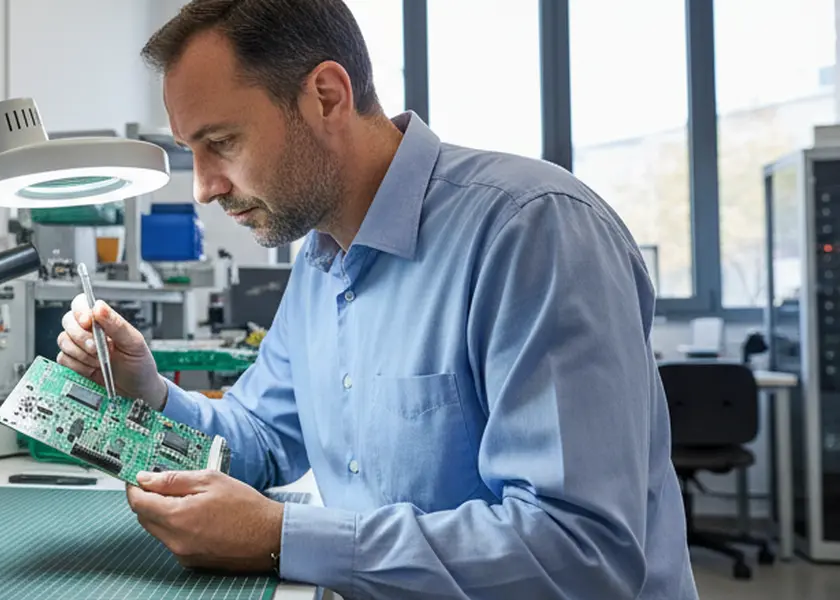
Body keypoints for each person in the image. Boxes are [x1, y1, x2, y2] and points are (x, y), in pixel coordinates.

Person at [57, 0, 697, 598]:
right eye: (191, 151)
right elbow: (262, 439)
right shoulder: (320, 261)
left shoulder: (532, 230)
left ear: (326, 97)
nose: (203, 188)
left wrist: (280, 536)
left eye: (221, 142)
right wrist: (149, 393)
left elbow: (578, 551)